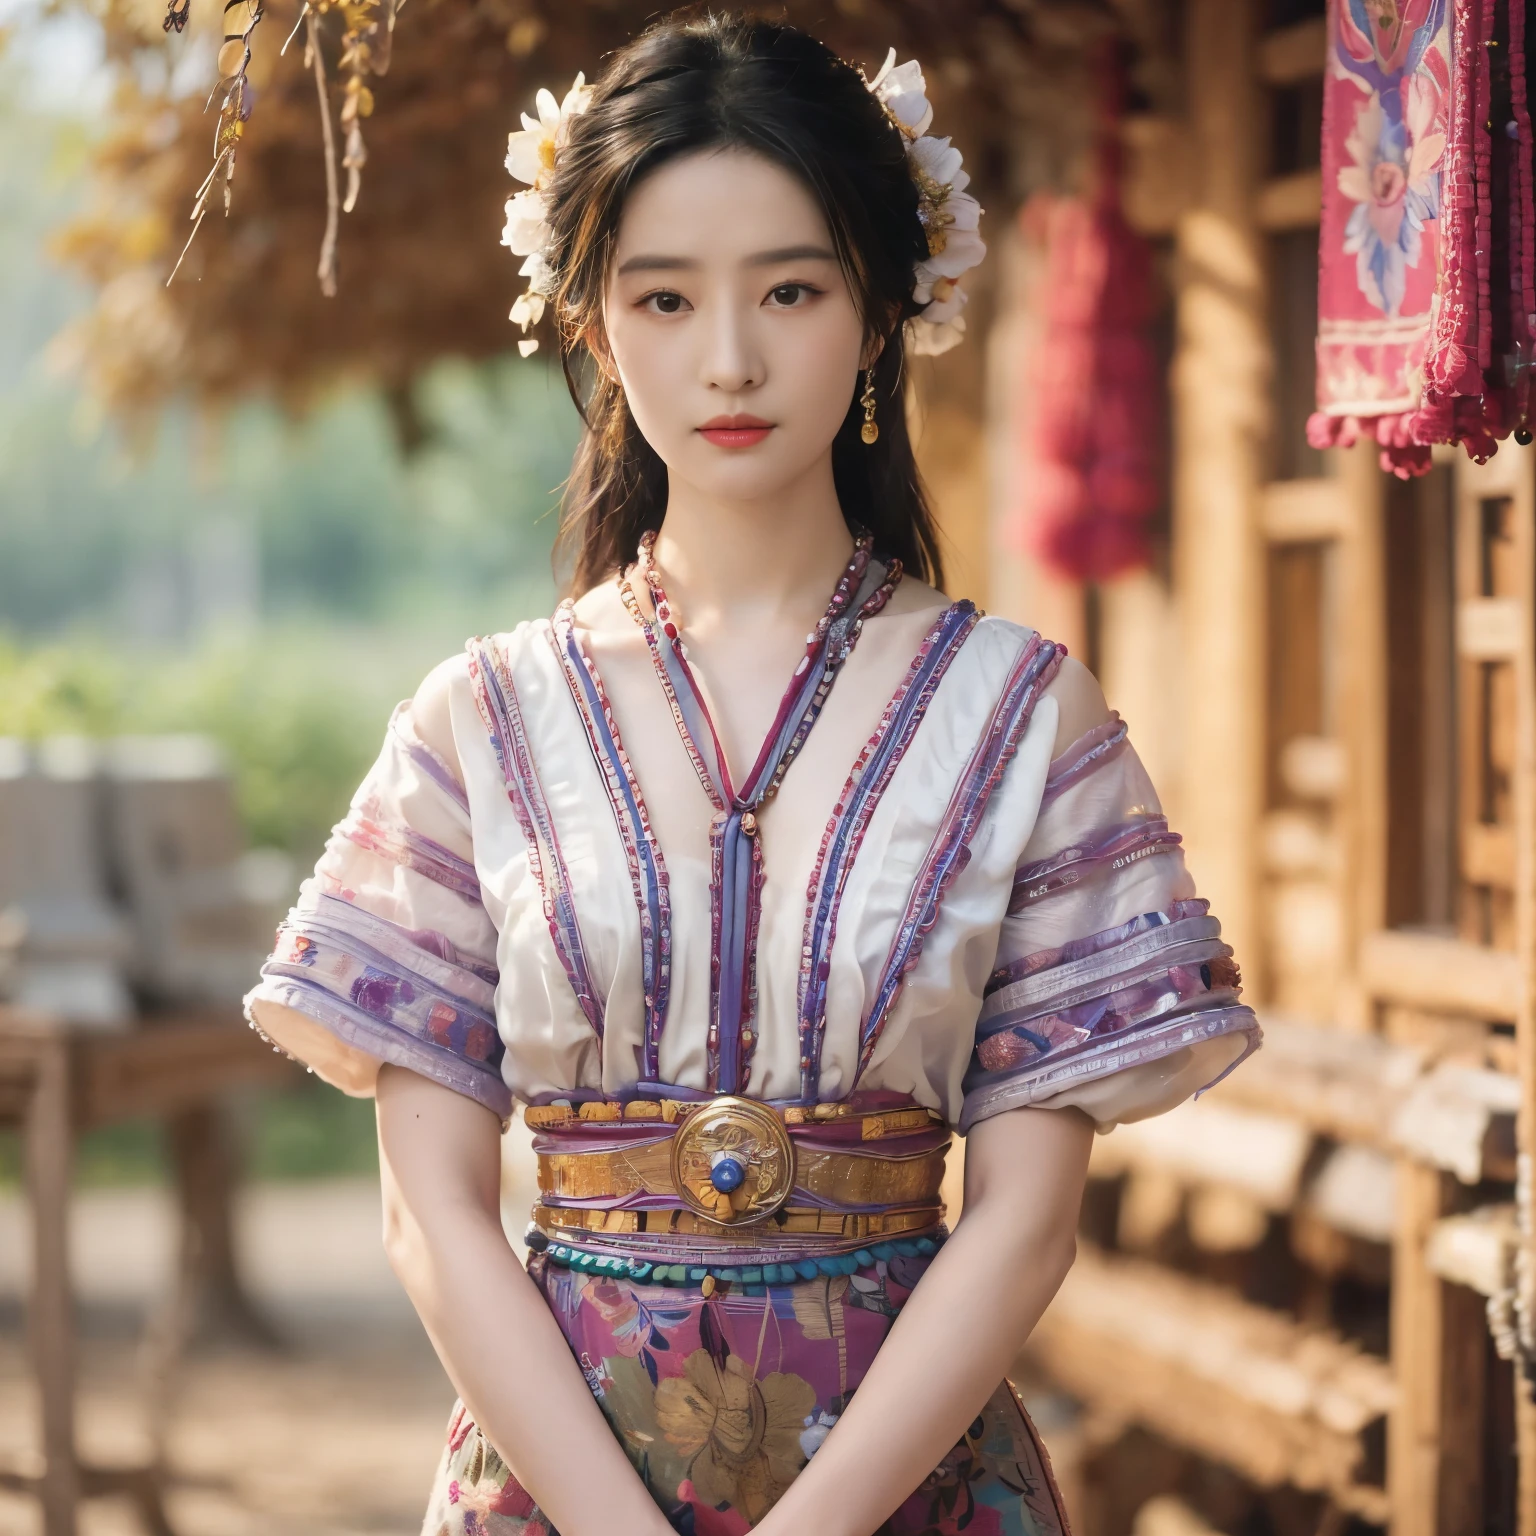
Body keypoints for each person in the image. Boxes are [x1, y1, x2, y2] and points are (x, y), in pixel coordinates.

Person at [245, 14, 1261, 1536]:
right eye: (664, 298)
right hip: (554, 1492)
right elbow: (430, 1207)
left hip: (914, 1494)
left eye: (791, 288)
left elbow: (1029, 1218)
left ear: (880, 305)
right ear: (593, 327)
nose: (728, 358)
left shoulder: (1020, 717)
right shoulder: (483, 724)